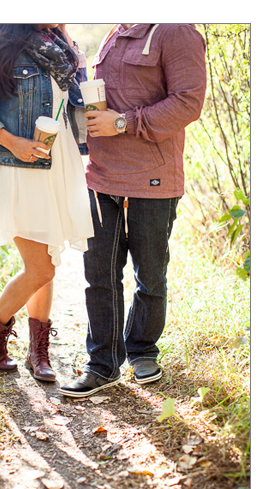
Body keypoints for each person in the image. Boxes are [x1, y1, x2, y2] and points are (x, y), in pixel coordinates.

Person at [61, 23, 206, 397]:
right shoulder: (116, 29)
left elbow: (189, 101)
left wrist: (123, 122)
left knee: (150, 273)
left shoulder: (176, 31)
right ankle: (102, 365)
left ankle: (143, 351)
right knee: (99, 275)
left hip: (153, 177)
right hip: (101, 175)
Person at [0, 24, 93, 382]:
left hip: (59, 159)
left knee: (47, 260)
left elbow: (71, 110)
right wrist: (10, 141)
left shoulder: (64, 46)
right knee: (41, 269)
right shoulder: (1, 46)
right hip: (19, 164)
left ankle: (38, 353)